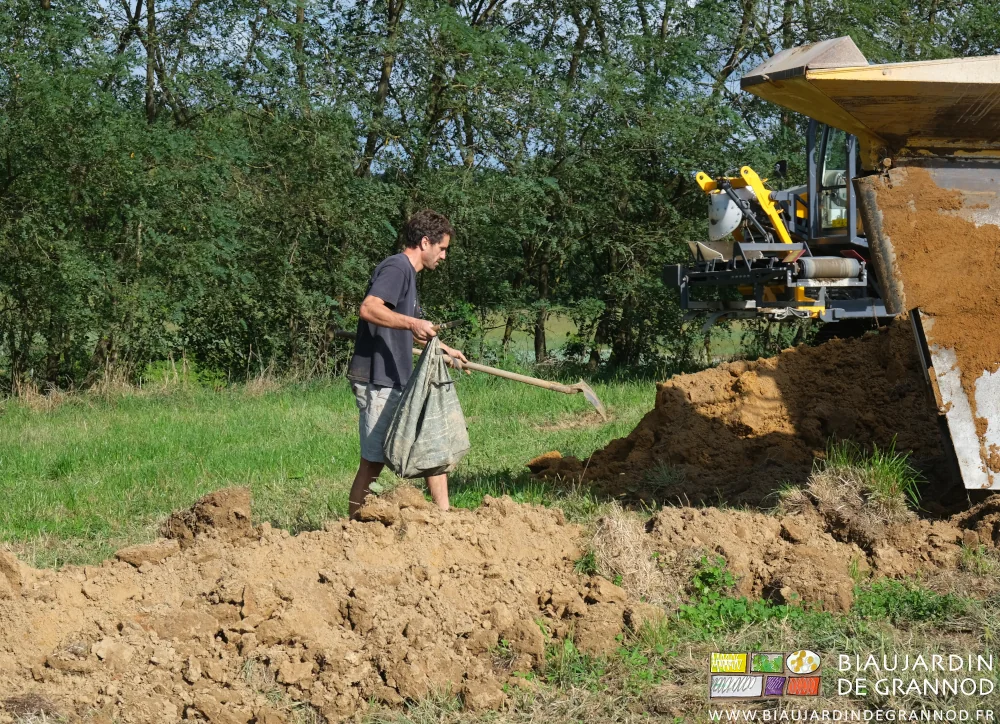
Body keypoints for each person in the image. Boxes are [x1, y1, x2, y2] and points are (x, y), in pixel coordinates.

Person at [347, 209, 469, 518]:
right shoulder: (397, 268)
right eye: (442, 249)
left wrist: (444, 350)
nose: (443, 256)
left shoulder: (408, 276)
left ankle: (444, 516)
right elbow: (369, 309)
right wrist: (412, 323)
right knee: (373, 461)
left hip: (397, 378)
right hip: (378, 378)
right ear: (425, 242)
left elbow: (405, 328)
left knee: (430, 442)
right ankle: (351, 528)